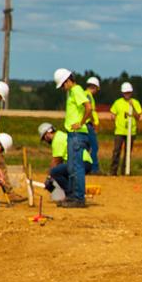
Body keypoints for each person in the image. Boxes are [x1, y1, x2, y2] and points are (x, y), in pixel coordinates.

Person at [54, 67, 92, 208]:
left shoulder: (76, 90)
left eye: (63, 84)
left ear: (69, 80)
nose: (63, 88)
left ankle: (78, 198)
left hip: (77, 134)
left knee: (76, 167)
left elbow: (89, 107)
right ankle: (72, 196)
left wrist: (81, 123)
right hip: (73, 135)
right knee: (71, 167)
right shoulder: (72, 92)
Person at [38, 122, 94, 197]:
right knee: (62, 171)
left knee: (55, 172)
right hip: (85, 162)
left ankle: (72, 195)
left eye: (44, 138)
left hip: (81, 163)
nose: (45, 141)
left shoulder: (57, 140)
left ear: (47, 134)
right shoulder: (60, 135)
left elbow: (56, 162)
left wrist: (49, 178)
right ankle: (74, 192)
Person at [109, 81, 142, 175]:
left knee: (127, 153)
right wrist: (113, 117)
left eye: (128, 92)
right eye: (125, 92)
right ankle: (113, 171)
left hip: (131, 132)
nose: (127, 94)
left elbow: (138, 117)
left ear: (131, 92)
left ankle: (125, 171)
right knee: (116, 151)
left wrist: (133, 107)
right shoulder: (118, 102)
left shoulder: (135, 102)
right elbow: (112, 114)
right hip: (119, 131)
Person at [85, 76, 103, 175]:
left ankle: (86, 168)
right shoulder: (88, 96)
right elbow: (90, 110)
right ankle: (94, 169)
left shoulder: (84, 94)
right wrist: (93, 122)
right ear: (94, 87)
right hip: (88, 124)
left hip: (85, 125)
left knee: (86, 148)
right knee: (94, 147)